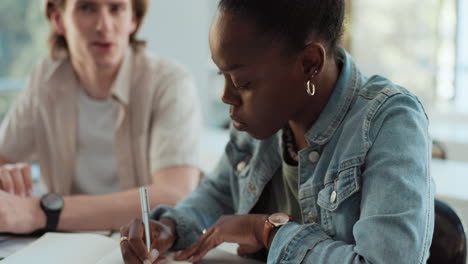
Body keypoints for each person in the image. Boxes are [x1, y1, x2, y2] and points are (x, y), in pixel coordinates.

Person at [120, 0, 434, 263]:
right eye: (222, 74)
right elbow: (219, 191)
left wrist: (267, 231)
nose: (226, 97)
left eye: (243, 83)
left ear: (309, 63)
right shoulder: (266, 120)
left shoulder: (390, 122)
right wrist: (171, 227)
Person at [0, 0, 202, 234]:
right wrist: (6, 179)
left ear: (133, 20)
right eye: (87, 8)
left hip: (140, 246)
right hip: (62, 245)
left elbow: (175, 195)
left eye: (116, 8)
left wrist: (39, 211)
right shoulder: (45, 79)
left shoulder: (170, 82)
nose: (103, 25)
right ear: (58, 19)